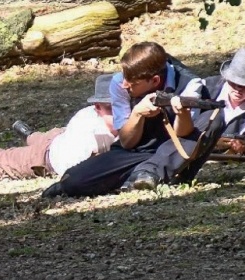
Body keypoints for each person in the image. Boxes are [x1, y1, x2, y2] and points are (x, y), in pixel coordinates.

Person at [56, 41, 205, 198]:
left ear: (155, 81)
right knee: (73, 181)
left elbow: (184, 135)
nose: (125, 85)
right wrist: (138, 114)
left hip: (173, 152)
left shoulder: (190, 85)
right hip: (136, 152)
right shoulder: (120, 82)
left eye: (133, 83)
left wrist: (182, 113)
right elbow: (127, 142)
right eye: (125, 78)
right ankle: (135, 174)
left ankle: (145, 173)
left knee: (212, 120)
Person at [124, 47, 245, 192]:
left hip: (199, 160)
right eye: (234, 83)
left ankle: (153, 174)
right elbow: (182, 128)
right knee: (214, 119)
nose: (238, 89)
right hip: (180, 142)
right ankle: (148, 173)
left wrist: (244, 147)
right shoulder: (201, 86)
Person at [0, 75, 117, 180]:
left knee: (43, 137)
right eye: (111, 108)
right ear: (98, 107)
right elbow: (75, 173)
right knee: (0, 161)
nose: (119, 114)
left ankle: (29, 135)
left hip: (59, 135)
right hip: (46, 157)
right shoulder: (89, 131)